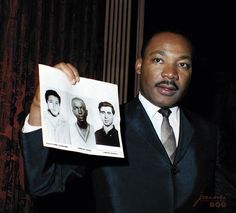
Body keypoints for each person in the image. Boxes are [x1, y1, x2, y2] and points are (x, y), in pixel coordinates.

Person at [21, 31, 235, 212]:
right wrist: (39, 109)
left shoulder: (209, 133)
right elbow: (43, 184)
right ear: (139, 66)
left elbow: (224, 200)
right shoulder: (102, 122)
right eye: (159, 60)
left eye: (183, 64)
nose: (170, 73)